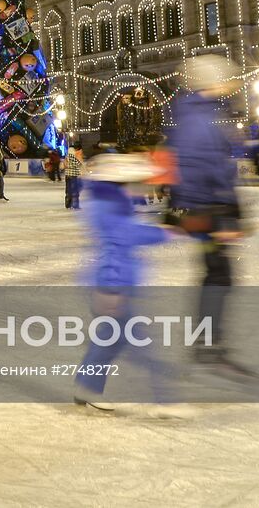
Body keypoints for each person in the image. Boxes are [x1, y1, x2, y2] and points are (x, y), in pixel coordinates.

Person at [72, 153, 188, 418]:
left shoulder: (108, 199)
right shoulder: (109, 204)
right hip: (114, 281)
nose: (141, 185)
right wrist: (167, 232)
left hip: (112, 280)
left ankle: (86, 385)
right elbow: (125, 236)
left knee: (110, 339)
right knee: (140, 343)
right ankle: (165, 402)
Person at [166, 54, 255, 378]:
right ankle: (207, 346)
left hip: (207, 207)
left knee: (216, 274)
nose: (232, 85)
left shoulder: (203, 113)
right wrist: (221, 216)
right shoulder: (197, 120)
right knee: (218, 275)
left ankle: (207, 343)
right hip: (206, 209)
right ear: (211, 81)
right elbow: (197, 168)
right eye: (226, 79)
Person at [64, 145, 85, 209]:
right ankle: (75, 205)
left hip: (67, 176)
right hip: (73, 176)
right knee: (75, 191)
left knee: (68, 191)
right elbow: (78, 164)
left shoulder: (66, 157)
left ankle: (68, 205)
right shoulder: (73, 157)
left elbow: (64, 165)